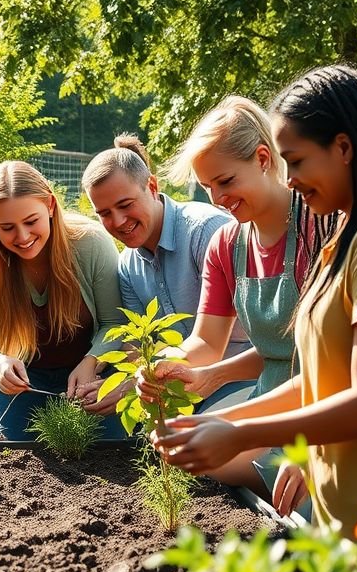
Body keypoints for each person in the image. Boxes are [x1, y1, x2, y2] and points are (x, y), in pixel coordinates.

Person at [145, 65, 357, 540]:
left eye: (298, 161)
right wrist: (218, 419)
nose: (289, 180)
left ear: (344, 149)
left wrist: (241, 435)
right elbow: (324, 379)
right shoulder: (350, 237)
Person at [129, 96, 336, 502]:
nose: (217, 198)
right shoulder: (227, 244)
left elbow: (335, 358)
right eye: (207, 187)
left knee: (316, 499)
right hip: (269, 400)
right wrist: (174, 365)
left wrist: (314, 443)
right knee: (188, 452)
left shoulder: (317, 225)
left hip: (325, 400)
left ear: (263, 159)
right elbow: (207, 342)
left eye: (226, 181)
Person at [80, 135, 252, 414]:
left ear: (151, 185)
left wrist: (133, 386)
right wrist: (121, 384)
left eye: (125, 205)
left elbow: (223, 343)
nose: (118, 221)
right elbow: (137, 343)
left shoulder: (206, 233)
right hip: (177, 388)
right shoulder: (127, 265)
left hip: (240, 380)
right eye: (105, 213)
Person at [0, 161, 125, 441]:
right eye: (7, 227)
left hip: (87, 374)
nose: (23, 237)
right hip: (19, 383)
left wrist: (92, 362)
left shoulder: (91, 244)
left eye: (30, 221)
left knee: (108, 450)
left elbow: (115, 322)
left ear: (50, 205)